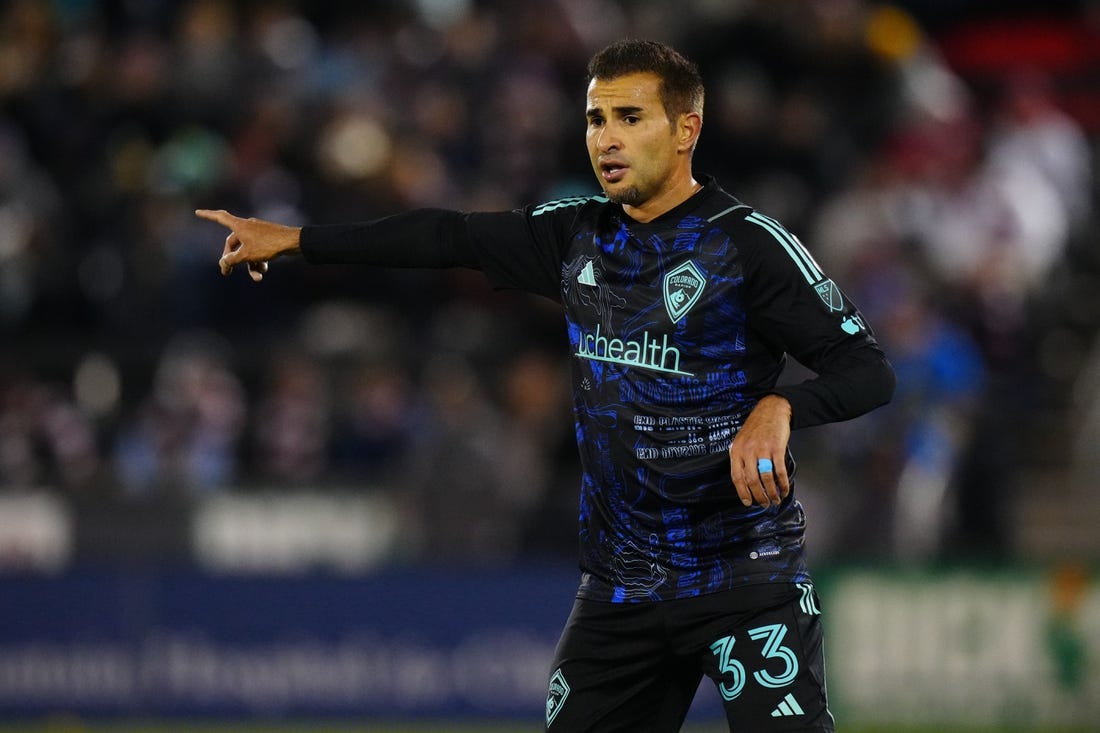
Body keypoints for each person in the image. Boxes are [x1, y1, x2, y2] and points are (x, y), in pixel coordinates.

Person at [197, 39, 894, 733]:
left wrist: (781, 405)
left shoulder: (748, 246)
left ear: (687, 130)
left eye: (630, 117)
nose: (607, 139)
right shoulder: (576, 236)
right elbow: (447, 238)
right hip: (622, 587)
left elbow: (867, 370)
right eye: (596, 120)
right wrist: (295, 239)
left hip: (744, 578)